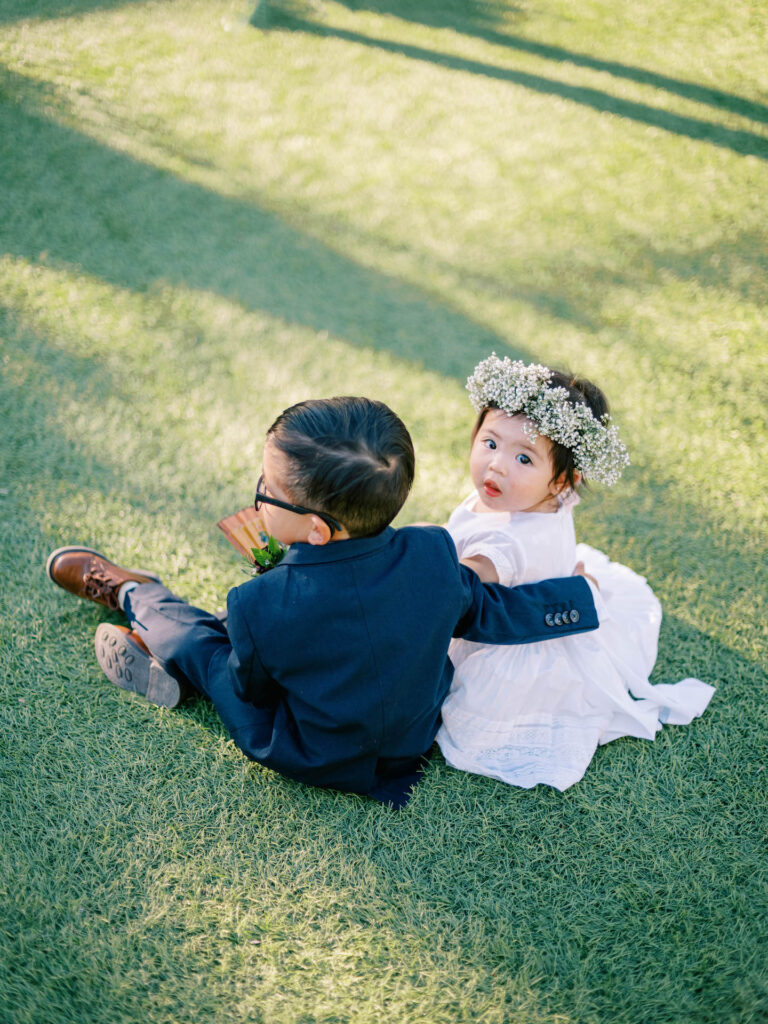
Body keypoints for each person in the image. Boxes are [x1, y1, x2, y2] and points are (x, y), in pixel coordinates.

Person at [46, 396, 600, 808]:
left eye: (266, 488)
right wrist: (578, 597)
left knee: (207, 648)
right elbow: (494, 612)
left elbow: (252, 689)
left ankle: (132, 594)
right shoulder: (435, 555)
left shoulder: (258, 604)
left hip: (308, 750)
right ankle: (153, 641)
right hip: (412, 743)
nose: (258, 493)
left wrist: (262, 629)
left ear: (315, 530)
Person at [436, 354, 715, 790]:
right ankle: (576, 584)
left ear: (562, 481)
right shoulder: (529, 497)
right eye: (490, 443)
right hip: (539, 581)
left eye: (524, 458)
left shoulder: (504, 544)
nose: (498, 465)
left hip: (506, 636)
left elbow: (454, 584)